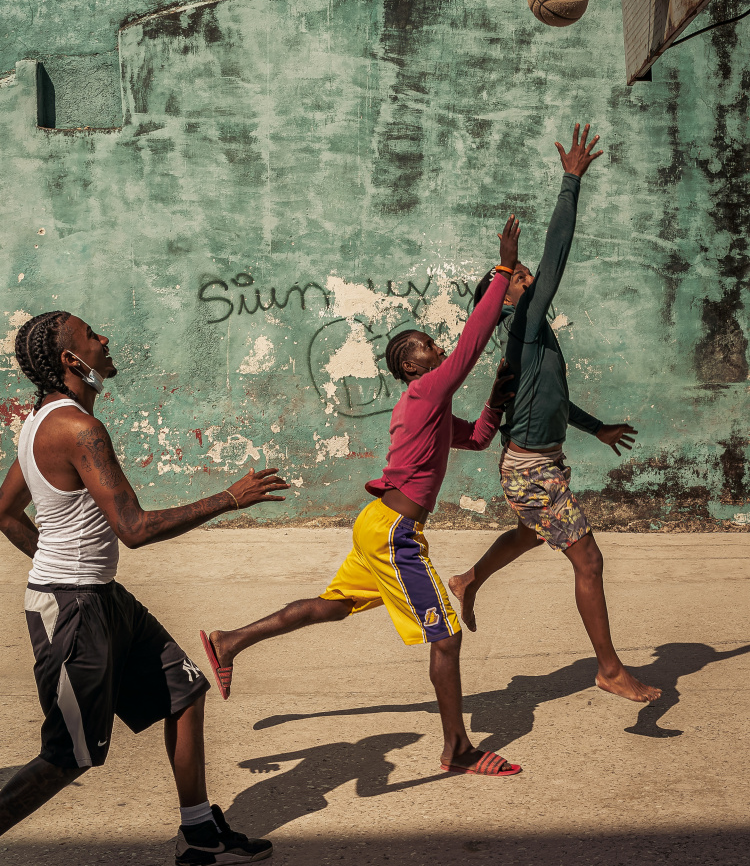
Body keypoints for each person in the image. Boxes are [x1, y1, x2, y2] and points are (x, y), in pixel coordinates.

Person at [201, 216, 522, 777]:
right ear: (409, 366)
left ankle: (229, 641)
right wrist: (501, 270)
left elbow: (475, 438)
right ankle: (457, 750)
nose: (438, 347)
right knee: (445, 636)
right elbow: (472, 344)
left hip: (379, 524)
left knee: (332, 607)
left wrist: (494, 399)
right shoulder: (424, 391)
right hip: (394, 534)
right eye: (426, 346)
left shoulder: (429, 407)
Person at [0, 311, 289, 864]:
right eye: (90, 335)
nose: (104, 339)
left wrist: (63, 562)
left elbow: (7, 513)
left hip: (100, 596)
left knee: (184, 692)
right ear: (70, 360)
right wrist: (227, 499)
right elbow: (133, 529)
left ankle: (200, 832)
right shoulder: (79, 429)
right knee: (68, 757)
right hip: (74, 609)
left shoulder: (39, 421)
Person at [449, 124, 662, 704]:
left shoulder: (533, 339)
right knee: (587, 559)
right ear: (508, 301)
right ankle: (609, 668)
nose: (530, 279)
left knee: (528, 533)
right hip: (529, 471)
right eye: (520, 280)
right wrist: (570, 183)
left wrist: (597, 428)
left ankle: (468, 580)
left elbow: (552, 402)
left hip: (540, 463)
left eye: (522, 277)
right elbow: (556, 254)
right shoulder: (520, 325)